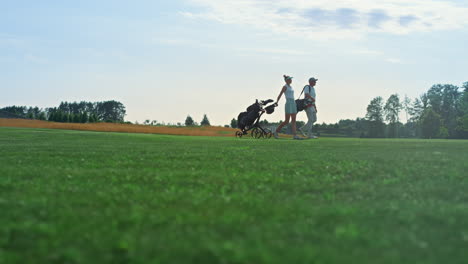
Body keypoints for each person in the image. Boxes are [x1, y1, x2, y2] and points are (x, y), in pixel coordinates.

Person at [274, 75, 301, 140]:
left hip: (293, 103)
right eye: (289, 79)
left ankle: (295, 135)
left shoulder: (291, 87)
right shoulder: (284, 87)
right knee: (286, 121)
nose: (291, 80)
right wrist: (277, 101)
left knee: (294, 120)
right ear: (286, 80)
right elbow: (280, 94)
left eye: (291, 79)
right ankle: (276, 132)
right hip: (288, 103)